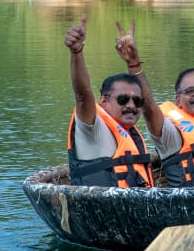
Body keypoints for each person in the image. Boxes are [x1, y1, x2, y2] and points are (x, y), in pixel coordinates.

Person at [64, 16, 161, 189]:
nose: (131, 106)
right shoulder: (93, 129)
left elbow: (150, 108)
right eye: (123, 99)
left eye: (137, 101)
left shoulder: (129, 132)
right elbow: (82, 94)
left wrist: (134, 64)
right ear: (103, 101)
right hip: (103, 212)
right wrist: (76, 53)